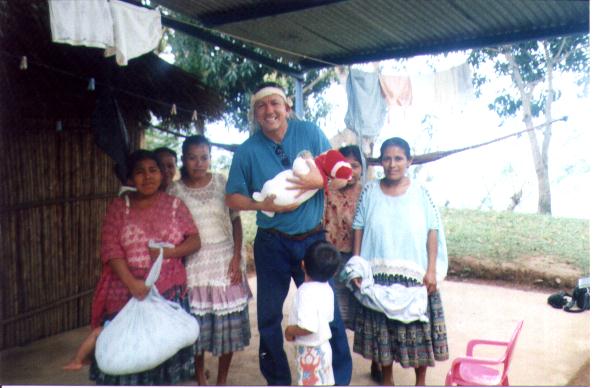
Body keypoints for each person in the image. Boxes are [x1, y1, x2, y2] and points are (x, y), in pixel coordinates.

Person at [225, 82, 352, 386]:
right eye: (261, 106)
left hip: (312, 240)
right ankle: (278, 381)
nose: (269, 111)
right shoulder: (247, 151)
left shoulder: (309, 132)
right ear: (255, 113)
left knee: (328, 310)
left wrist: (315, 182)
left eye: (275, 104)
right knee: (269, 317)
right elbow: (233, 198)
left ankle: (340, 380)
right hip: (272, 243)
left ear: (287, 108)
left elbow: (341, 177)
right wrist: (261, 204)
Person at [89, 149, 201, 385]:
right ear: (130, 178)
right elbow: (111, 250)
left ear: (162, 174)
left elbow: (194, 240)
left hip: (168, 295)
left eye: (153, 170)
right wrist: (133, 284)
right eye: (139, 172)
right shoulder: (120, 207)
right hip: (126, 296)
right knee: (127, 363)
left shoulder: (175, 206)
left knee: (164, 365)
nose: (147, 177)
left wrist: (169, 252)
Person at [350, 137, 449, 386]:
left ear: (409, 161)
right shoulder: (370, 191)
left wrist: (431, 271)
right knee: (382, 331)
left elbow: (432, 230)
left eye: (398, 158)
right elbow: (359, 226)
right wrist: (357, 265)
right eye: (387, 158)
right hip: (378, 272)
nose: (392, 164)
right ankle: (387, 379)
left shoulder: (421, 193)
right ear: (381, 161)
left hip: (414, 275)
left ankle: (420, 382)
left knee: (417, 333)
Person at [168, 135, 252, 386]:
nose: (199, 163)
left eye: (204, 157)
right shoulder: (175, 191)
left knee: (229, 325)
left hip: (226, 260)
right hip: (193, 265)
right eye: (192, 158)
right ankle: (200, 378)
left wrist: (236, 258)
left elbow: (236, 220)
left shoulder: (222, 183)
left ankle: (222, 380)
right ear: (183, 159)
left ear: (210, 158)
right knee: (198, 328)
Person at [285, 240, 340, 386]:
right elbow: (329, 317)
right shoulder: (328, 289)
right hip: (324, 348)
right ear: (334, 273)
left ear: (303, 265)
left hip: (310, 352)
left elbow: (308, 327)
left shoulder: (305, 292)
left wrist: (290, 330)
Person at [323, 145, 363, 331]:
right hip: (331, 257)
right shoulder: (327, 191)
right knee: (334, 312)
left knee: (360, 311)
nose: (350, 171)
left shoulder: (366, 193)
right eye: (344, 165)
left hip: (358, 258)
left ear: (362, 169)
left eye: (355, 166)